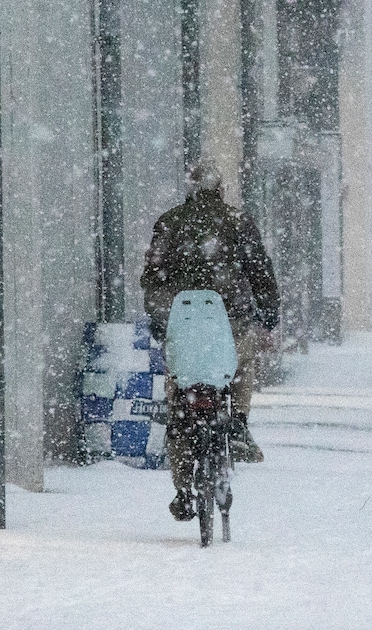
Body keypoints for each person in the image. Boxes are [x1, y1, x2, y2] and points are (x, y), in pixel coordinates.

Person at [141, 161, 280, 521]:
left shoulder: (169, 222)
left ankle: (183, 488)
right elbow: (260, 272)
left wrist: (161, 318)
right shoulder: (237, 221)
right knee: (242, 363)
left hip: (183, 325)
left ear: (189, 189)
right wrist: (268, 316)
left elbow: (152, 276)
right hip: (230, 320)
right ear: (220, 189)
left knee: (179, 398)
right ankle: (238, 422)